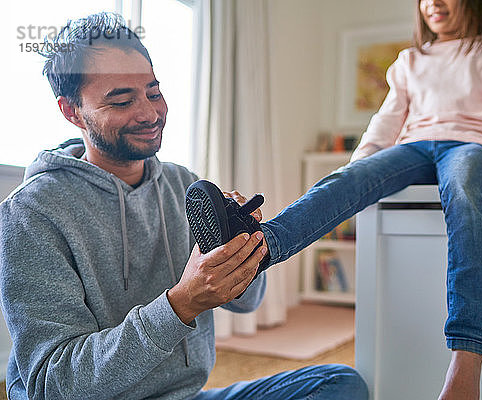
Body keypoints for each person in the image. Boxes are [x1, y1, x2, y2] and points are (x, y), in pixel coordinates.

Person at [0, 13, 368, 400]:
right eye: (122, 100)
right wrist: (181, 304)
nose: (149, 113)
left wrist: (239, 249)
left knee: (339, 385)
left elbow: (247, 302)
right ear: (72, 112)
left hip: (185, 395)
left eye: (154, 93)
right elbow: (54, 385)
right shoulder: (32, 212)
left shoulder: (182, 183)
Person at [197, 0, 482, 399]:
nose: (434, 4)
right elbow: (388, 119)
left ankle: (467, 355)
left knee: (463, 193)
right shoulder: (411, 60)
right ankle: (260, 248)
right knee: (342, 180)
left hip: (471, 144)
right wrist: (358, 170)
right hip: (415, 146)